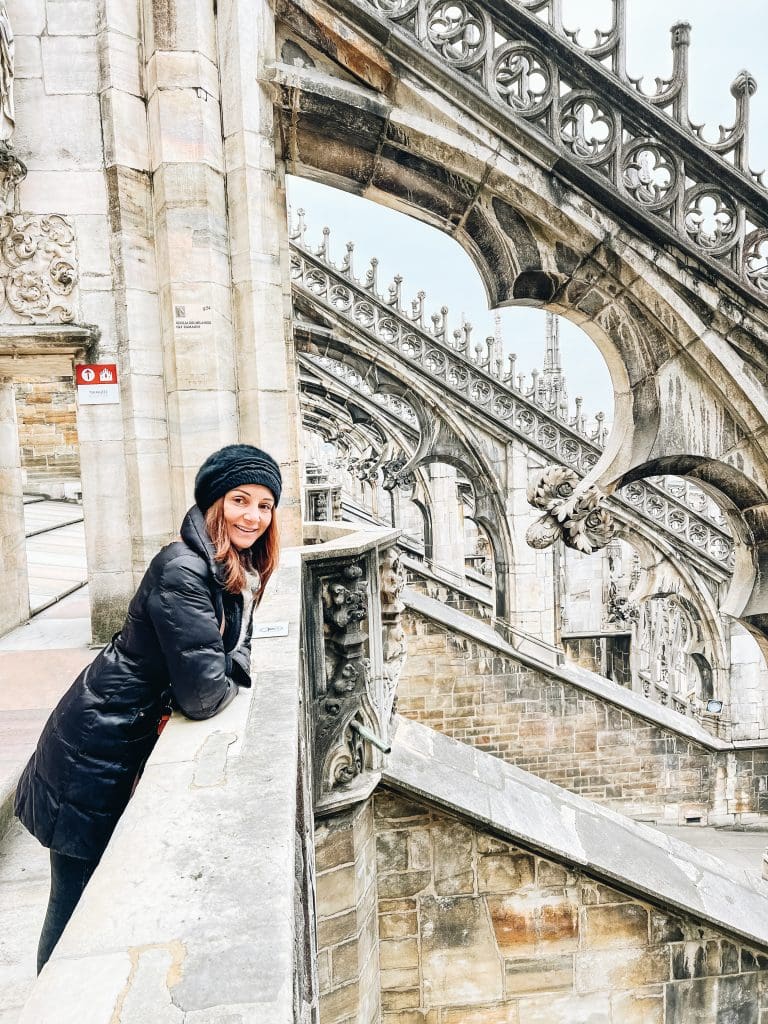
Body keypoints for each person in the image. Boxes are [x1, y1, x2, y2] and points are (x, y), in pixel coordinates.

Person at [14, 444, 282, 972]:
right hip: (94, 750)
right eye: (240, 500)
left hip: (115, 739)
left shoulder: (224, 565)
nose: (253, 515)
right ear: (214, 504)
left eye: (266, 505)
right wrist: (237, 663)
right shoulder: (182, 569)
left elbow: (218, 658)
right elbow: (204, 694)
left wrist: (231, 658)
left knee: (89, 903)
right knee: (72, 905)